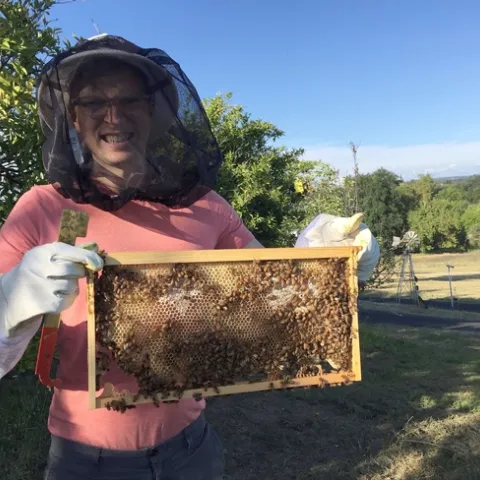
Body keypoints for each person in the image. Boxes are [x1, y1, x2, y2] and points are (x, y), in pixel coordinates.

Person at [0, 34, 380, 480]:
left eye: (129, 100)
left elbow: (278, 297)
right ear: (73, 118)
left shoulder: (206, 206)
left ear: (154, 111)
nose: (113, 115)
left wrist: (326, 260)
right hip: (86, 460)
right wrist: (11, 305)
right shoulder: (45, 207)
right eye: (93, 103)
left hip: (190, 452)